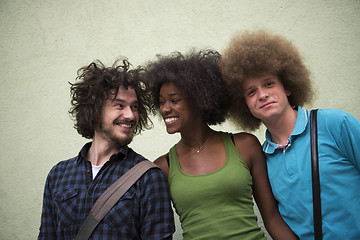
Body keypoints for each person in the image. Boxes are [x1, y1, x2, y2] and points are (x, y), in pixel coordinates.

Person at [143, 49, 298, 240]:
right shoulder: (162, 167)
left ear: (199, 100)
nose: (165, 109)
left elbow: (272, 218)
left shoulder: (244, 145)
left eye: (174, 100)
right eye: (161, 102)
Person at [220, 29, 360, 239]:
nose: (262, 95)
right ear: (245, 104)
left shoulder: (334, 123)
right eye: (251, 92)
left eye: (269, 83)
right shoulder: (262, 158)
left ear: (287, 87)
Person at [38, 58, 175, 239]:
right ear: (94, 110)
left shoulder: (148, 177)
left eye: (134, 107)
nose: (130, 115)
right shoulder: (58, 175)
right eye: (119, 105)